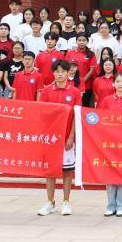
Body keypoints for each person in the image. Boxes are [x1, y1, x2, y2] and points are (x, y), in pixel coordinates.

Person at [37, 60, 82, 217]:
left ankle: (66, 201)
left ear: (68, 73)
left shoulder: (74, 91)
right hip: (50, 138)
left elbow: (76, 116)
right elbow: (41, 112)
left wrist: (71, 136)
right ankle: (50, 202)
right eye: (57, 71)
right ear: (53, 73)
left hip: (67, 138)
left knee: (67, 171)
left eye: (63, 71)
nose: (60, 74)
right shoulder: (47, 91)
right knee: (50, 171)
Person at [98, 72, 122, 216]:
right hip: (110, 143)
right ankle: (111, 205)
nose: (120, 84)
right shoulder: (107, 100)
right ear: (113, 83)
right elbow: (101, 119)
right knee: (110, 172)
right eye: (118, 81)